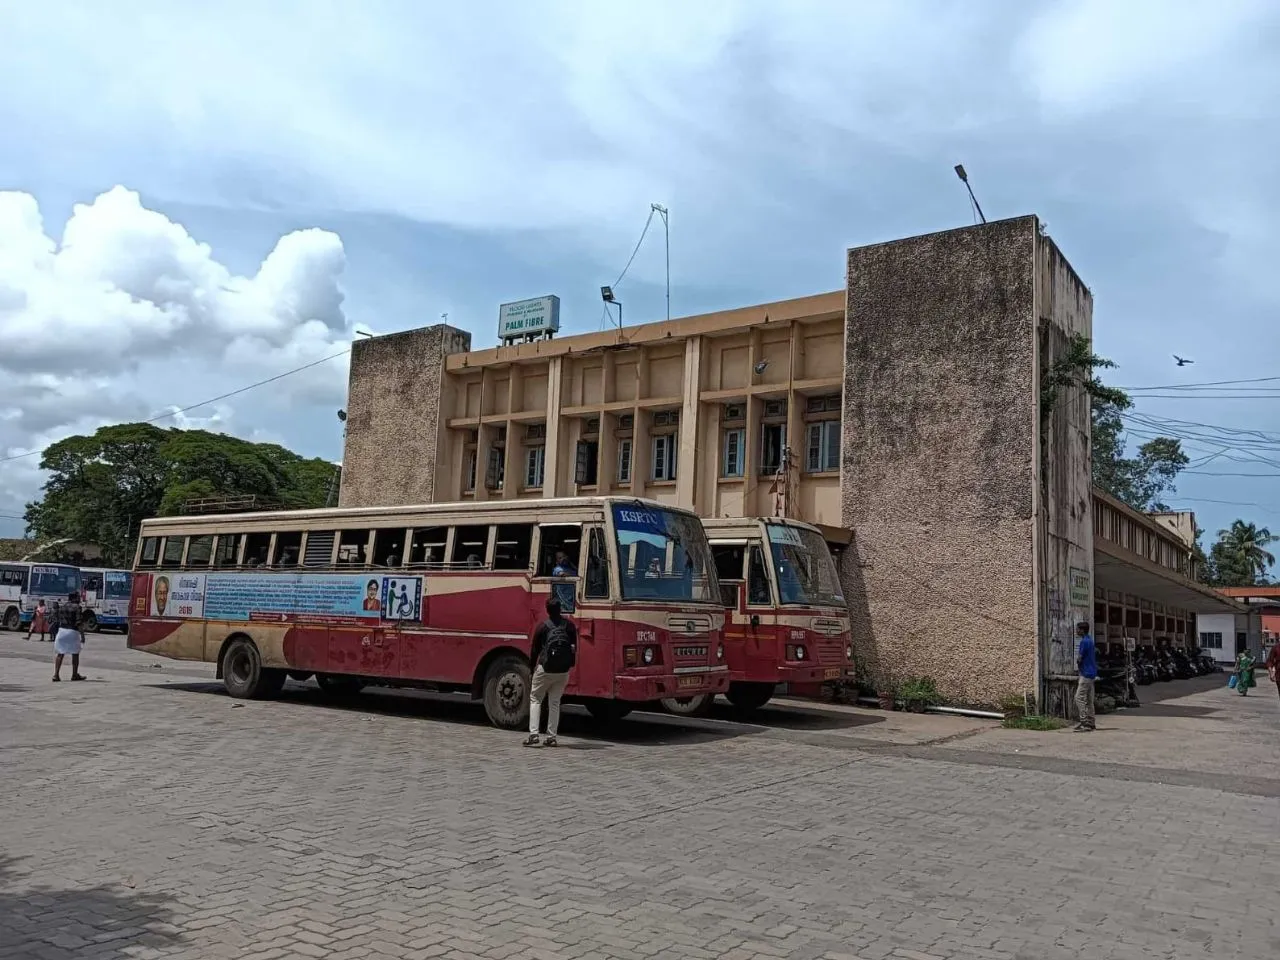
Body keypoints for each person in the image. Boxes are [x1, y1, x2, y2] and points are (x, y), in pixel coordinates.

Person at [523, 596, 577, 748]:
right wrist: (569, 665)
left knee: (535, 699)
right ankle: (551, 736)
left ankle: (534, 734)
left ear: (547, 611)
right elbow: (574, 648)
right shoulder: (570, 626)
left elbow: (535, 650)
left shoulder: (543, 627)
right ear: (561, 609)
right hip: (563, 671)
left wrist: (532, 668)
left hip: (545, 669)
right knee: (554, 702)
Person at [52, 590, 86, 682]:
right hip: (72, 631)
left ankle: (56, 675)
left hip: (62, 631)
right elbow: (79, 622)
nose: (80, 599)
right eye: (78, 597)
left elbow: (57, 618)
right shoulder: (77, 607)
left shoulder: (62, 606)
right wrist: (82, 635)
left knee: (60, 653)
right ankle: (74, 675)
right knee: (75, 653)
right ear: (74, 598)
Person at [1074, 621, 1097, 732]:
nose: (1076, 631)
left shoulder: (1084, 642)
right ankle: (1091, 722)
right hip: (1092, 673)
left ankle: (1084, 722)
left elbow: (1079, 658)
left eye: (1078, 629)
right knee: (1089, 699)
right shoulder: (1091, 640)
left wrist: (1078, 666)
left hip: (1085, 673)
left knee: (1079, 698)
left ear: (1082, 630)